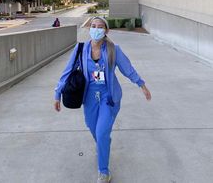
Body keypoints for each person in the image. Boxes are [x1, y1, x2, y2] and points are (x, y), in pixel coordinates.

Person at [54, 16, 151, 183]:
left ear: (106, 31)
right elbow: (66, 72)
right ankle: (103, 142)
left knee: (101, 132)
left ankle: (104, 172)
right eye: (93, 25)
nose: (96, 29)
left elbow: (128, 69)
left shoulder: (113, 49)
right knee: (94, 130)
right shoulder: (80, 49)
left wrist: (141, 84)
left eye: (100, 26)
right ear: (89, 28)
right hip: (89, 98)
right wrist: (57, 94)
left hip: (109, 97)